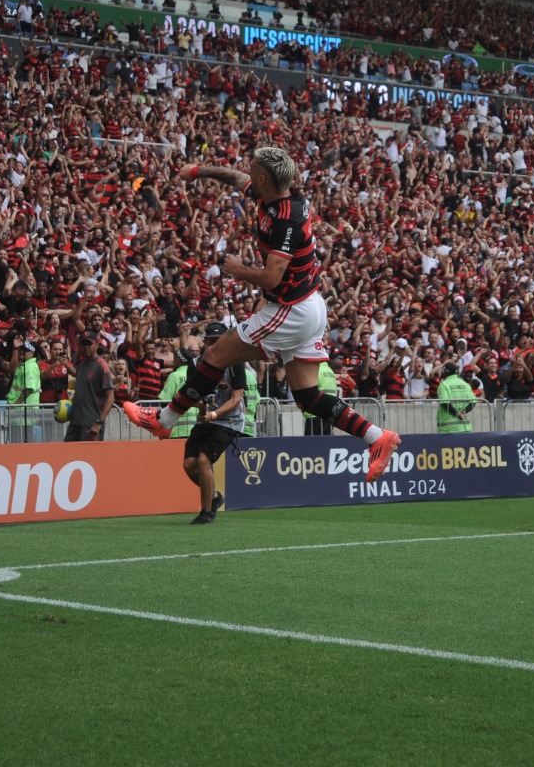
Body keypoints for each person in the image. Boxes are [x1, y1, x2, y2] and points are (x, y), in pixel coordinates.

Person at [124, 149, 400, 482]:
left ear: (263, 179)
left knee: (214, 355)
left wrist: (237, 269)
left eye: (252, 170)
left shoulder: (288, 218)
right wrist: (199, 170)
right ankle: (376, 437)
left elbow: (271, 277)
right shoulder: (267, 193)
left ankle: (164, 420)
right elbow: (236, 177)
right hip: (306, 305)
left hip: (291, 310)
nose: (247, 174)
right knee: (307, 396)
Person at [179, 322, 247, 524]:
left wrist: (213, 415)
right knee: (189, 464)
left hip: (229, 421)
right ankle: (215, 496)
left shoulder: (235, 362)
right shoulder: (194, 365)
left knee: (203, 460)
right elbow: (195, 395)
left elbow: (236, 400)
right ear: (205, 342)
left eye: (220, 341)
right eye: (212, 341)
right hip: (207, 419)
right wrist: (202, 409)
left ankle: (207, 511)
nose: (216, 345)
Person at [66, 334, 114, 441]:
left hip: (91, 422)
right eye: (83, 344)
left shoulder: (102, 367)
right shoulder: (81, 365)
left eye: (89, 344)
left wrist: (99, 422)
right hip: (76, 420)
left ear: (96, 345)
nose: (86, 347)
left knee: (89, 456)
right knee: (68, 454)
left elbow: (110, 398)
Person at [436, 362, 476, 433]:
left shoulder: (444, 385)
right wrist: (463, 412)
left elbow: (445, 403)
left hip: (448, 428)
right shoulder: (465, 384)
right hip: (465, 427)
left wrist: (457, 413)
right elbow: (473, 402)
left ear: (445, 371)